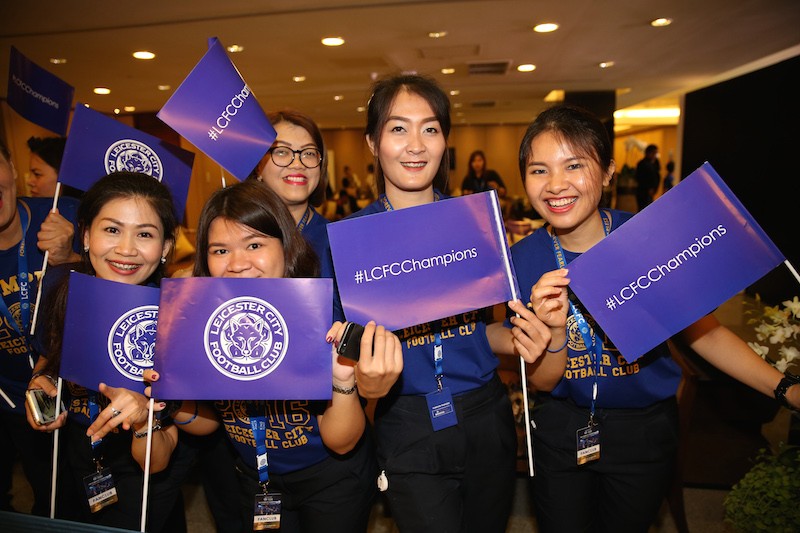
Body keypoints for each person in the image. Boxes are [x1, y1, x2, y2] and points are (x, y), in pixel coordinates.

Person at [510, 103, 800, 532]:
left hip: (642, 431)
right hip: (560, 427)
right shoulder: (522, 259)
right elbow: (542, 380)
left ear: (608, 171)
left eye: (574, 165)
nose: (556, 185)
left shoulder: (647, 239)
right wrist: (553, 333)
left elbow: (705, 334)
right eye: (539, 170)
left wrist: (785, 388)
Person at [91, 180, 402, 533]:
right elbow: (209, 423)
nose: (237, 264)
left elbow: (341, 443)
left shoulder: (321, 313)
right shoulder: (197, 323)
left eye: (254, 244)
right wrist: (168, 402)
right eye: (220, 250)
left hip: (332, 479)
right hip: (256, 476)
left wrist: (343, 381)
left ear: (285, 246)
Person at [348, 73, 555, 532]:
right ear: (372, 142)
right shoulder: (351, 242)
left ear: (445, 141)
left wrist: (528, 335)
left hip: (486, 412)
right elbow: (345, 352)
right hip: (406, 417)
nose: (416, 144)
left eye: (431, 128)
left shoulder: (477, 226)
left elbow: (484, 333)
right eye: (398, 128)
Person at [26, 171, 191, 531]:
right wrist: (40, 383)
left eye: (145, 234)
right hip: (77, 454)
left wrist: (143, 419)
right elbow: (49, 355)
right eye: (112, 229)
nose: (127, 249)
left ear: (164, 248)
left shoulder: (178, 317)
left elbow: (158, 461)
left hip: (143, 470)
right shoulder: (61, 285)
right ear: (86, 235)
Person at [0, 138, 80, 516]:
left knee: (96, 496)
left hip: (81, 389)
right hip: (13, 399)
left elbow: (126, 286)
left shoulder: (62, 214)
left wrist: (71, 257)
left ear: (11, 170)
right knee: (47, 498)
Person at [634, 143, 660, 211]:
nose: (655, 155)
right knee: (643, 209)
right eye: (653, 153)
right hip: (643, 192)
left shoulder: (655, 163)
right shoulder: (642, 164)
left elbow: (656, 176)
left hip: (651, 192)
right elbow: (639, 178)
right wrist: (648, 188)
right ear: (648, 153)